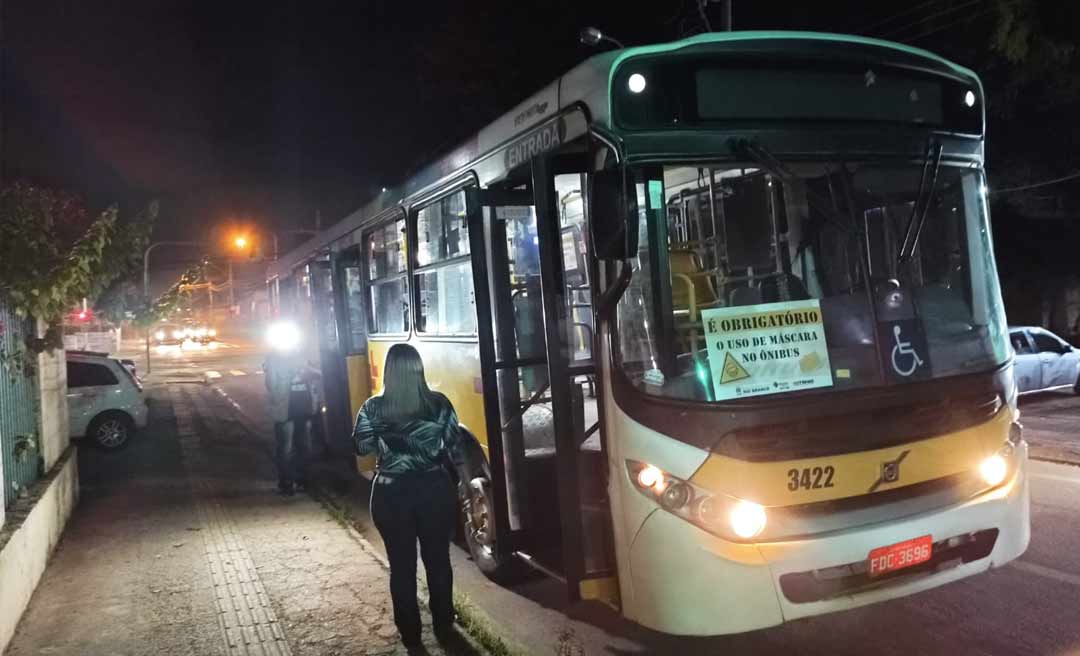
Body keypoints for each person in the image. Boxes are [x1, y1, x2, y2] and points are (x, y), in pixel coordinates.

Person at [353, 343, 462, 649]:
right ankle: (444, 625)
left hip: (391, 492)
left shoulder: (373, 407)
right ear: (419, 370)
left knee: (401, 567)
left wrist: (389, 445)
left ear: (388, 372)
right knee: (439, 561)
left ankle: (411, 635)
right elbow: (452, 443)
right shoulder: (439, 404)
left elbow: (361, 447)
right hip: (434, 489)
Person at [264, 327, 318, 495]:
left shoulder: (286, 357)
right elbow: (271, 385)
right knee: (296, 447)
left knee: (294, 447)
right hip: (294, 408)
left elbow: (271, 384)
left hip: (294, 408)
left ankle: (295, 483)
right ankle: (296, 482)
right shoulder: (286, 358)